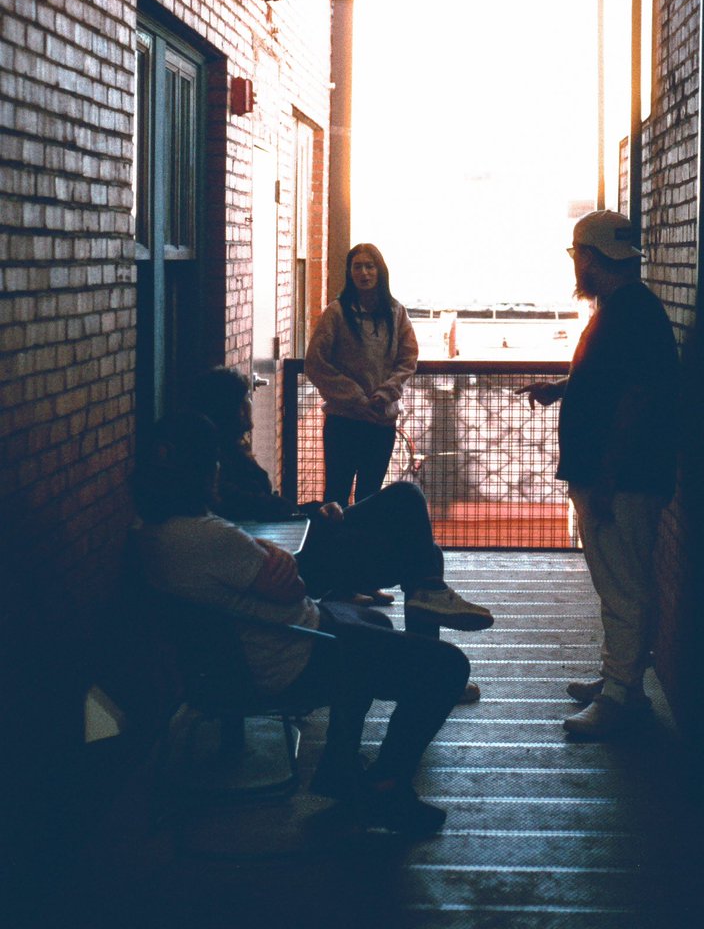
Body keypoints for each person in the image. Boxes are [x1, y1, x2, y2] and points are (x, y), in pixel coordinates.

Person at [133, 412, 475, 838]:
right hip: (298, 654)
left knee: (370, 619)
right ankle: (387, 785)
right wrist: (275, 561)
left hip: (269, 649)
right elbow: (292, 589)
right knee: (447, 667)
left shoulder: (156, 533)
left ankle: (340, 765)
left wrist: (266, 554)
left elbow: (265, 567)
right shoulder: (210, 538)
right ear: (205, 471)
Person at [190, 365, 490, 703]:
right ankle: (430, 661)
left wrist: (313, 508)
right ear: (228, 408)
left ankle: (429, 601)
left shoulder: (223, 453)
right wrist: (309, 512)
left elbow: (260, 508)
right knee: (420, 544)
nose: (250, 405)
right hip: (303, 559)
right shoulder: (211, 463)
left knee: (409, 507)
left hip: (303, 535)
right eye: (245, 399)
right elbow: (250, 509)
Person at [518, 210, 679, 740]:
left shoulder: (629, 313)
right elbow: (614, 382)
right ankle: (619, 681)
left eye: (576, 255)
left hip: (621, 480)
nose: (575, 265)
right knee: (618, 582)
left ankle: (620, 698)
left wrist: (607, 478)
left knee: (624, 586)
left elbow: (635, 399)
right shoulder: (629, 309)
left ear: (591, 257)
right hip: (622, 475)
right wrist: (561, 390)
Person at [304, 243, 418, 512]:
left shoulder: (396, 313)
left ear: (380, 271)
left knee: (370, 496)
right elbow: (316, 362)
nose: (364, 273)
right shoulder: (337, 312)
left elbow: (408, 359)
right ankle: (334, 551)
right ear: (349, 272)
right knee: (336, 495)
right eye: (358, 267)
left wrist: (384, 394)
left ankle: (364, 553)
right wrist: (354, 397)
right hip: (343, 421)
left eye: (370, 266)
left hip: (381, 420)